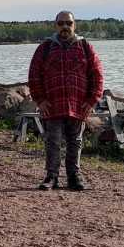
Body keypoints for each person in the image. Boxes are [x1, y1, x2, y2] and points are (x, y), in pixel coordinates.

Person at [28, 11, 104, 191]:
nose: (65, 26)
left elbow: (97, 76)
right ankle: (51, 177)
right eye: (61, 23)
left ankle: (73, 176)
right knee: (52, 141)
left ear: (74, 25)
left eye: (68, 23)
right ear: (56, 25)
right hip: (52, 105)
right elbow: (34, 76)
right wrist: (40, 100)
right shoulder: (45, 48)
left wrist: (91, 101)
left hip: (78, 105)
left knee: (75, 141)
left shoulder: (85, 47)